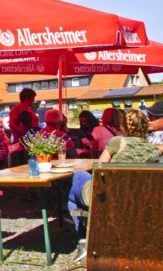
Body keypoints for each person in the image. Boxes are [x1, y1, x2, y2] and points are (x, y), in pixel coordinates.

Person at [68, 109, 163, 261]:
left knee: (78, 178)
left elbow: (99, 169)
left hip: (110, 199)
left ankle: (84, 239)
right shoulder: (155, 150)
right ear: (145, 127)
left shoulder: (117, 142)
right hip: (140, 202)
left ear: (123, 127)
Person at [9, 88, 40, 163]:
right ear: (26, 99)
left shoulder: (28, 108)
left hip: (31, 139)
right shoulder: (17, 109)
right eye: (32, 99)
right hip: (23, 143)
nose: (33, 101)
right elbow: (12, 124)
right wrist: (25, 133)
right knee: (25, 162)